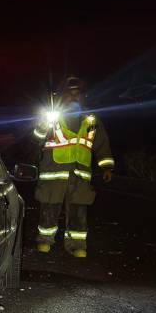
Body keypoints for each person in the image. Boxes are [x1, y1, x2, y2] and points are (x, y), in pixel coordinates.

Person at [31, 76, 114, 257]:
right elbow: (36, 138)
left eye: (77, 93)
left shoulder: (91, 120)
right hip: (53, 174)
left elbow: (102, 144)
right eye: (69, 93)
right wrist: (43, 124)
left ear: (83, 96)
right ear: (62, 96)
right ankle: (45, 241)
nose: (73, 97)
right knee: (49, 210)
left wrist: (106, 167)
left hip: (80, 176)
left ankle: (77, 245)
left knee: (78, 212)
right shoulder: (51, 117)